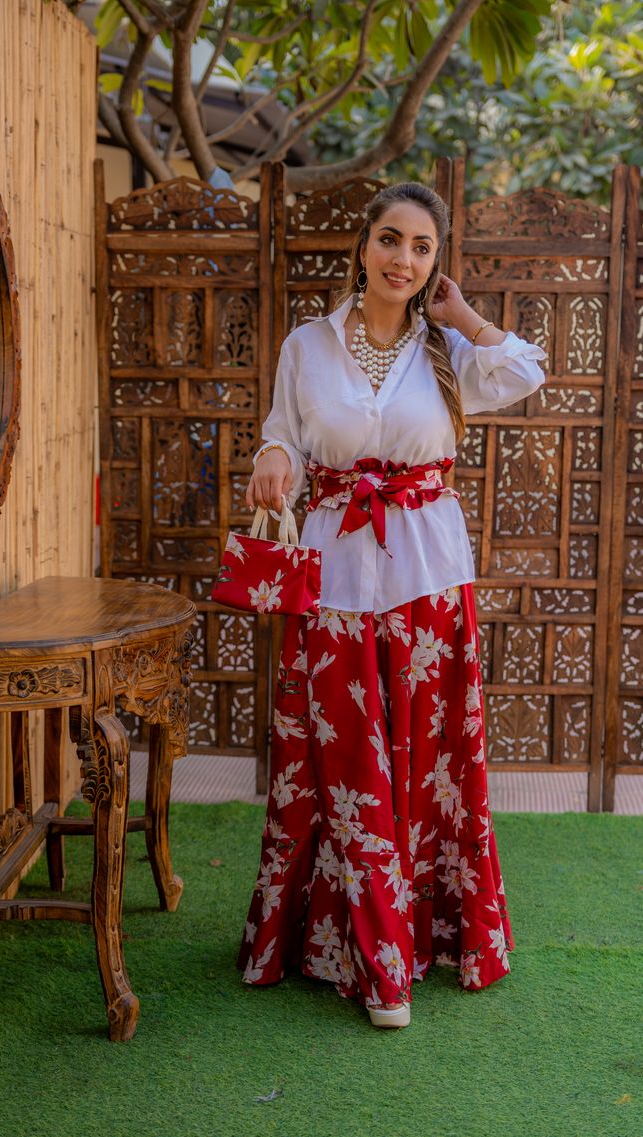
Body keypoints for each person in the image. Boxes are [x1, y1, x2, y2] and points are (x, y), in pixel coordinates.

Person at [236, 182, 545, 1029]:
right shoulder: (308, 344)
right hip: (333, 581)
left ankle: (411, 947)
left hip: (429, 583)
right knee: (344, 769)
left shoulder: (449, 352)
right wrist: (271, 455)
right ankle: (368, 956)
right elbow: (283, 431)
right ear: (362, 247)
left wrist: (466, 316)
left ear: (434, 264)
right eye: (389, 240)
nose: (401, 259)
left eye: (420, 248)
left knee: (423, 766)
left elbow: (527, 370)